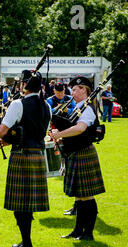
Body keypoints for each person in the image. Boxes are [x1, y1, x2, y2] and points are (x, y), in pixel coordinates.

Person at [0, 69, 51, 247]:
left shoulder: (18, 104)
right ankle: (25, 241)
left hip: (22, 156)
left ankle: (27, 245)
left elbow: (1, 130)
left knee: (19, 203)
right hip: (38, 155)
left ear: (23, 85)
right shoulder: (47, 106)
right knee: (28, 202)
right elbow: (38, 132)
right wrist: (10, 140)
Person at [49, 76, 105, 241]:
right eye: (72, 89)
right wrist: (59, 139)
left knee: (87, 195)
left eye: (75, 89)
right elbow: (71, 128)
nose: (72, 92)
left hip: (83, 153)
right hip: (75, 152)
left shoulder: (87, 108)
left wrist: (59, 134)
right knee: (80, 196)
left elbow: (80, 128)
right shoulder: (79, 107)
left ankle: (88, 233)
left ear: (84, 90)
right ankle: (78, 230)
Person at [47, 82, 77, 216]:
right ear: (54, 91)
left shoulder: (70, 99)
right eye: (58, 92)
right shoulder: (49, 100)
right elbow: (47, 112)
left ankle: (77, 205)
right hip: (55, 131)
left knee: (72, 169)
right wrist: (57, 109)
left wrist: (67, 110)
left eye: (62, 92)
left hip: (69, 132)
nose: (60, 94)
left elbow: (76, 111)